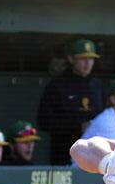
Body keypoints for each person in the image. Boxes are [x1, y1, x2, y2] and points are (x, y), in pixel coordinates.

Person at [37, 38, 104, 166]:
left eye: (91, 59)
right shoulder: (57, 85)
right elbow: (44, 121)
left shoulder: (97, 84)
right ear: (71, 59)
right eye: (82, 58)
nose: (87, 63)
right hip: (64, 152)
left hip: (94, 153)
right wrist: (77, 126)